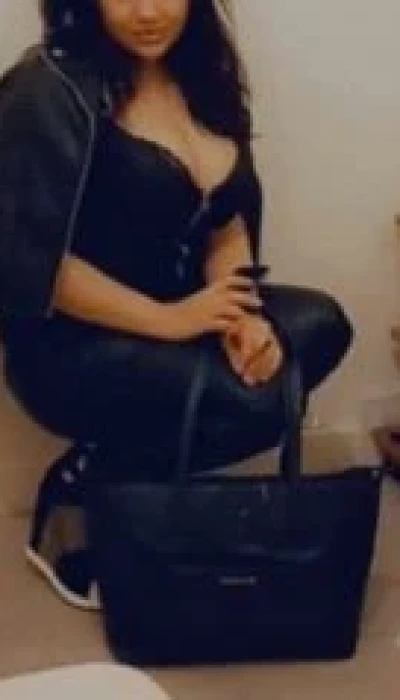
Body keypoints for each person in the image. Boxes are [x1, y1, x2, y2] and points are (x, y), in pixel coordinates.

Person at [0, 0, 352, 610]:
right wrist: (168, 320)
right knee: (254, 399)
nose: (147, 11)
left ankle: (116, 475)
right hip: (75, 343)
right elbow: (28, 257)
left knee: (320, 327)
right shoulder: (47, 86)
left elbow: (226, 226)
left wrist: (243, 318)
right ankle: (84, 497)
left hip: (185, 315)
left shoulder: (205, 80)